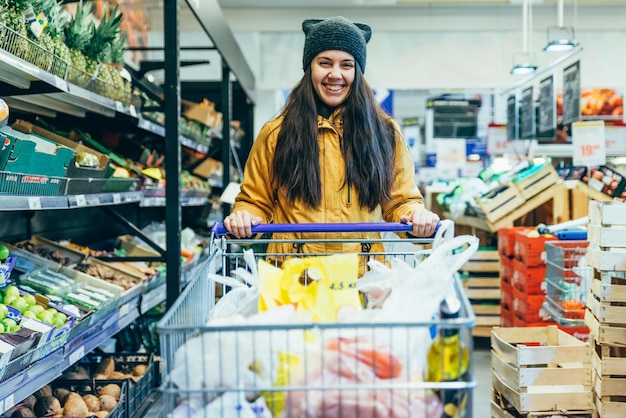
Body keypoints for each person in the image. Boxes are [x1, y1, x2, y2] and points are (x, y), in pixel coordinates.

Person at [224, 16, 440, 254]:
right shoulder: (276, 133)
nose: (335, 74)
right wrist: (244, 217)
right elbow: (255, 201)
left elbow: (401, 202)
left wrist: (417, 217)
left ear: (358, 72)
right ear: (309, 68)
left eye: (346, 65)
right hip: (294, 281)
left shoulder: (384, 132)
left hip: (361, 279)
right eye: (325, 63)